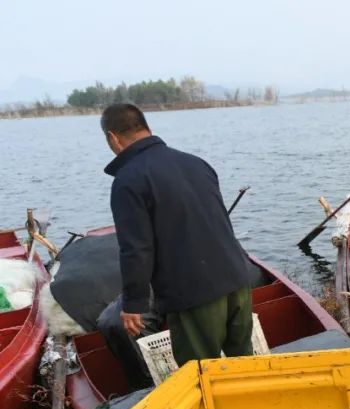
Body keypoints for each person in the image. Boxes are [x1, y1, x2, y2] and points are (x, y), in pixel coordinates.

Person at [101, 103, 253, 374]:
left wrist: (133, 304)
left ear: (113, 137)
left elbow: (136, 248)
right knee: (244, 364)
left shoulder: (128, 180)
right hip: (238, 279)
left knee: (199, 373)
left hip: (195, 294)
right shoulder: (196, 163)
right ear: (145, 127)